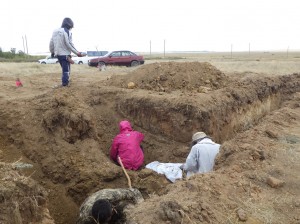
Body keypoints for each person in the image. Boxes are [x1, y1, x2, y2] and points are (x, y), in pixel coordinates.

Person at [49, 17, 84, 87]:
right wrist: (77, 53)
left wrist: (52, 52)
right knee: (66, 71)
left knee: (64, 70)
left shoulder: (55, 31)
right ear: (69, 24)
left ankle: (65, 81)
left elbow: (51, 43)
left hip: (58, 54)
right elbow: (69, 44)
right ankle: (65, 85)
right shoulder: (67, 31)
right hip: (65, 54)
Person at [76, 188, 143, 224]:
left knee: (127, 207)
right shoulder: (84, 217)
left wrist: (142, 208)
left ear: (112, 209)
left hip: (113, 204)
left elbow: (134, 192)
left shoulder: (112, 195)